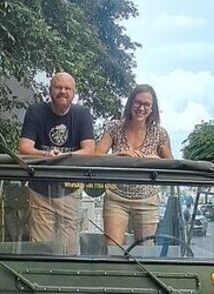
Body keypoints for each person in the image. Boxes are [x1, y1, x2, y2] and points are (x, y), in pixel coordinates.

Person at [18, 72, 95, 254]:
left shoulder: (82, 114)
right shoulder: (36, 111)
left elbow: (90, 149)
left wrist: (63, 157)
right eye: (58, 87)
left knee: (69, 249)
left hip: (70, 189)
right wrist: (46, 154)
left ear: (74, 93)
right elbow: (24, 147)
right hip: (40, 189)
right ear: (50, 89)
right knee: (41, 248)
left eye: (67, 88)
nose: (63, 92)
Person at [95, 84, 172, 246]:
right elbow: (96, 157)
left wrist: (154, 159)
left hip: (148, 199)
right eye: (138, 102)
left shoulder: (160, 133)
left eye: (147, 104)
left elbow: (171, 165)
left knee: (146, 251)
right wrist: (119, 156)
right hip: (116, 197)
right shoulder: (114, 128)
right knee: (112, 249)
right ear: (130, 103)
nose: (141, 108)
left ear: (152, 108)